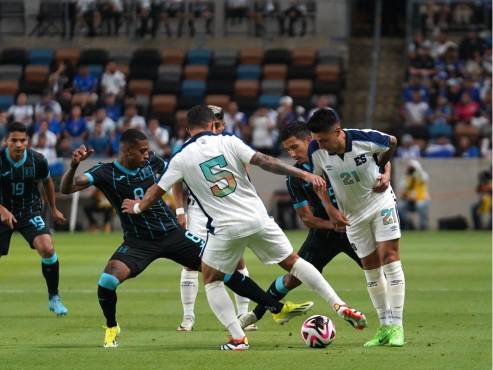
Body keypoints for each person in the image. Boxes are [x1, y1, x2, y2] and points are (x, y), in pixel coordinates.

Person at [122, 105, 367, 351]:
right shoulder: (229, 140)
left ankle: (237, 338)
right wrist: (302, 175)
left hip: (225, 227)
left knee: (212, 278)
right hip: (258, 218)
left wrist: (136, 208)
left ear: (188, 129)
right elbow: (265, 161)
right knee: (294, 262)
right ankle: (339, 304)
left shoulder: (181, 157)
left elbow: (157, 192)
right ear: (212, 125)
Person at [60, 129, 313, 349]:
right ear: (126, 151)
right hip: (138, 241)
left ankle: (276, 308)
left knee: (220, 270)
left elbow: (179, 175)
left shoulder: (154, 163)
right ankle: (112, 326)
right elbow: (67, 188)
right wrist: (73, 166)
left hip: (173, 234)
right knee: (106, 281)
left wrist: (184, 209)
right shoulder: (105, 172)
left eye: (148, 151)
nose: (148, 155)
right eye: (142, 151)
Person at [239, 121, 363, 329]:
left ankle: (389, 320)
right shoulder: (295, 178)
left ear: (309, 140)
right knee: (293, 277)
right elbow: (306, 218)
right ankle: (256, 314)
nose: (292, 153)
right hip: (324, 234)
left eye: (294, 147)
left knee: (376, 269)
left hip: (355, 228)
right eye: (287, 149)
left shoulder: (334, 158)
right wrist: (333, 225)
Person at [306, 108, 405, 347]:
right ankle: (384, 327)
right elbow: (318, 183)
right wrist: (330, 209)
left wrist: (385, 172)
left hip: (380, 203)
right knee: (370, 267)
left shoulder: (364, 138)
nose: (321, 144)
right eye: (317, 140)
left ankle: (397, 327)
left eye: (324, 139)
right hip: (352, 216)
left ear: (338, 132)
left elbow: (391, 142)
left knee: (389, 257)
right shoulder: (315, 150)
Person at [172, 105, 255, 332]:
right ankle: (188, 317)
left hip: (229, 210)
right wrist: (180, 212)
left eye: (219, 122)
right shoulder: (187, 148)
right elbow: (175, 182)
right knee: (190, 261)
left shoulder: (231, 142)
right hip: (198, 211)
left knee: (237, 260)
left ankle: (243, 315)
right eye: (213, 122)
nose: (216, 126)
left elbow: (245, 176)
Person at [0, 122, 68, 316]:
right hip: (2, 212)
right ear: (6, 141)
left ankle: (54, 298)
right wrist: (1, 209)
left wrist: (54, 209)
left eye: (23, 140)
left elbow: (47, 181)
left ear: (28, 141)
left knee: (47, 248)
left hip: (29, 211)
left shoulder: (37, 160)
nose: (19, 144)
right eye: (14, 140)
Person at [397, 159, 431, 230]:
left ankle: (423, 226)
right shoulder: (406, 177)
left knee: (420, 205)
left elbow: (425, 177)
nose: (411, 169)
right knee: (400, 206)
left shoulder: (421, 175)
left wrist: (417, 169)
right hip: (409, 201)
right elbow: (402, 186)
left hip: (420, 199)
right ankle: (406, 225)